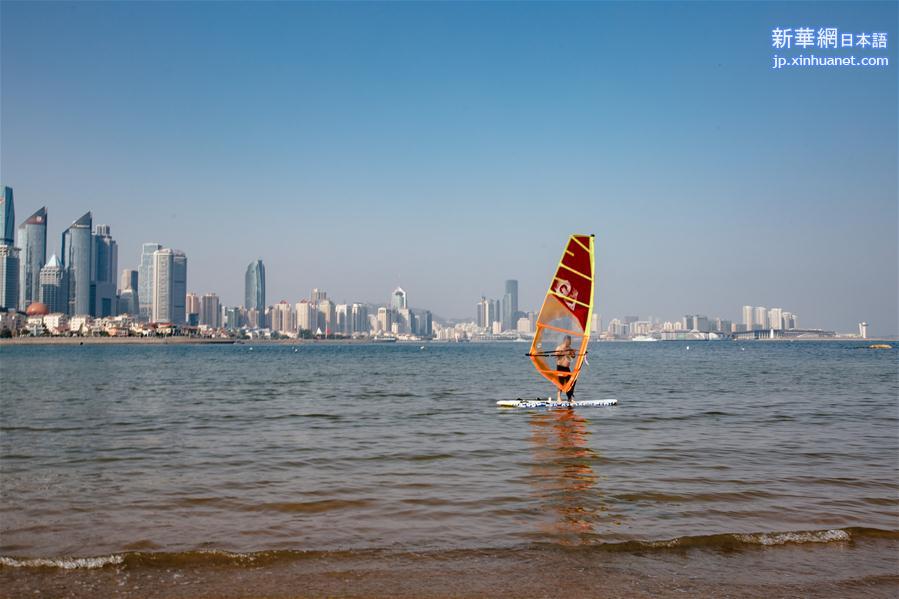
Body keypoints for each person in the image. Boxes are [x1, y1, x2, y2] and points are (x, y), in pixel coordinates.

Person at [555, 335, 577, 403]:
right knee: (560, 383)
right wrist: (563, 351)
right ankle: (558, 398)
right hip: (560, 367)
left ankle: (569, 398)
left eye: (570, 341)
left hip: (567, 368)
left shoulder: (569, 348)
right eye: (569, 341)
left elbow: (573, 357)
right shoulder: (559, 347)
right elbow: (556, 355)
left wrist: (573, 352)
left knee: (571, 382)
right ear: (565, 340)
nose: (570, 342)